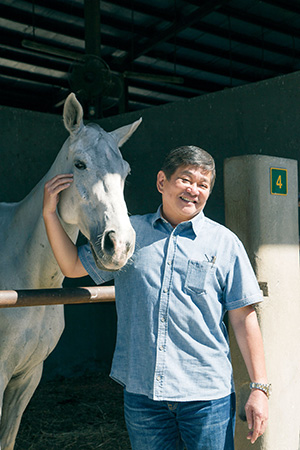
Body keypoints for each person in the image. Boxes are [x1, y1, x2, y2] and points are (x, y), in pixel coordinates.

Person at [43, 145, 269, 450]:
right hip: (143, 397)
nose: (194, 190)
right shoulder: (129, 235)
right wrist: (49, 214)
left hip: (206, 399)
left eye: (203, 185)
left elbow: (244, 319)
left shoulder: (225, 243)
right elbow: (71, 266)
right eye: (186, 180)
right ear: (162, 182)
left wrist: (259, 389)